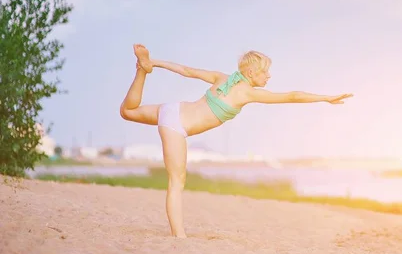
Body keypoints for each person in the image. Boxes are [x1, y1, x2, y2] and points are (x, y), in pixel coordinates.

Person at [119, 44, 353, 238]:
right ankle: (179, 237)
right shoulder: (247, 92)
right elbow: (292, 96)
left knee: (128, 112)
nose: (269, 76)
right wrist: (325, 98)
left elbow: (186, 70)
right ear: (251, 73)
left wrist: (156, 63)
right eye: (265, 72)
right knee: (177, 181)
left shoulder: (222, 78)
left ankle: (143, 70)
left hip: (173, 109)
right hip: (176, 127)